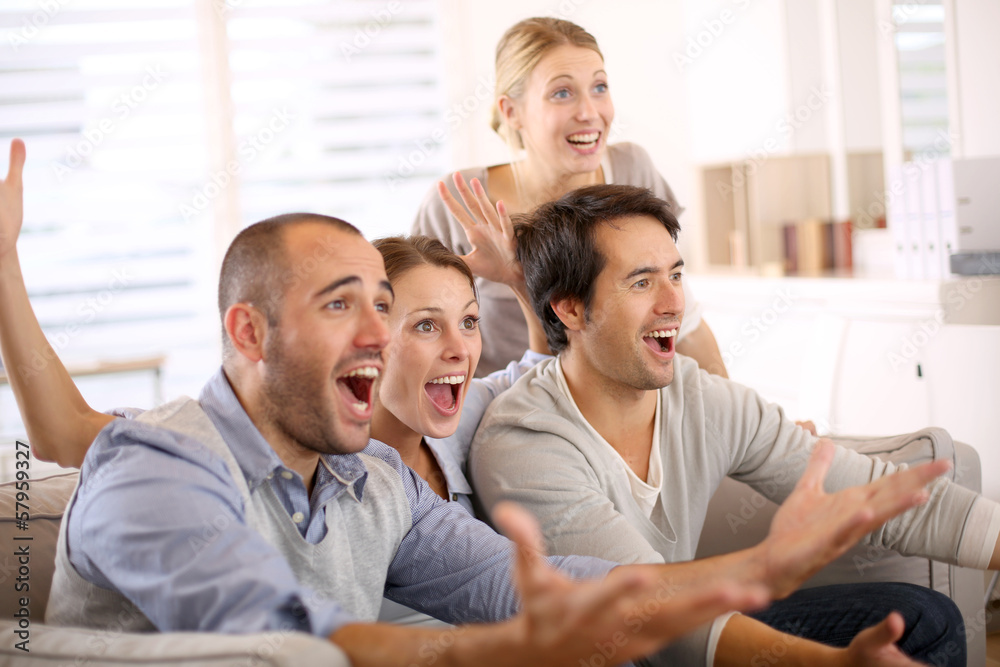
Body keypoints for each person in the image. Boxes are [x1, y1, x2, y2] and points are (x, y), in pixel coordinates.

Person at [0, 139, 951, 665]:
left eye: (386, 303)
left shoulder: (372, 479)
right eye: (348, 307)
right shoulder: (161, 464)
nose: (378, 330)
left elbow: (531, 582)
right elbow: (277, 643)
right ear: (248, 336)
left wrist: (758, 570)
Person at [469, 183, 1000, 666]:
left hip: (691, 625)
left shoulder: (699, 398)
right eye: (641, 282)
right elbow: (649, 618)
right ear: (570, 310)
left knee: (922, 619)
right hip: (624, 651)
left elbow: (871, 494)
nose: (674, 301)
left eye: (676, 275)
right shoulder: (524, 443)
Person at [413, 16, 729, 381]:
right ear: (511, 111)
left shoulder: (630, 171)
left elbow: (685, 320)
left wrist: (750, 427)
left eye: (599, 87)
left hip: (614, 405)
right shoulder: (460, 203)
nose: (589, 112)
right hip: (496, 413)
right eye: (561, 93)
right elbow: (411, 335)